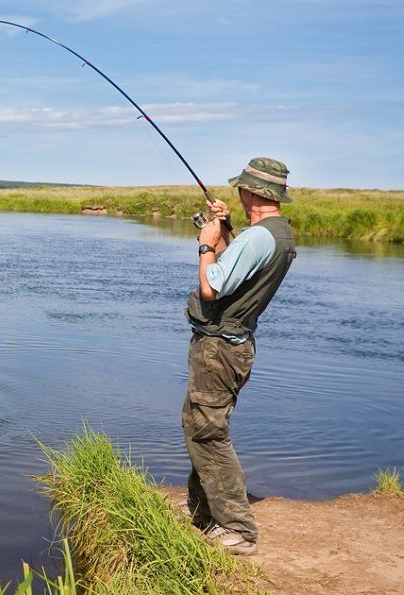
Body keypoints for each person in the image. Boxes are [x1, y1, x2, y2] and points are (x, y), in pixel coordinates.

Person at [181, 157, 296, 556]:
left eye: (241, 188)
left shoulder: (259, 237)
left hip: (220, 349)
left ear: (254, 192)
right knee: (198, 422)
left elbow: (213, 286)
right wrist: (227, 228)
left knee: (209, 431)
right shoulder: (274, 233)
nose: (237, 192)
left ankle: (238, 529)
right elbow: (237, 268)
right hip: (231, 345)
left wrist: (206, 243)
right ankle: (202, 508)